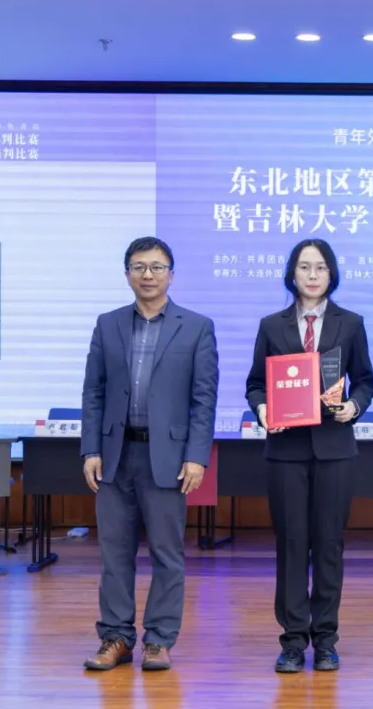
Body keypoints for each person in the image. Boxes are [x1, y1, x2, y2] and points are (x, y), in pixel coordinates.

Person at [80, 236, 219, 672]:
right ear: (127, 274)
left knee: (166, 554)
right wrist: (90, 449)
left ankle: (158, 640)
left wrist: (197, 456)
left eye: (157, 267)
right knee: (114, 554)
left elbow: (203, 399)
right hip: (114, 456)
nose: (148, 275)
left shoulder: (196, 327)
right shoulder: (108, 324)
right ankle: (116, 638)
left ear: (171, 275)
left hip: (169, 459)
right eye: (139, 267)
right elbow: (93, 392)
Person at [245, 238, 373, 673]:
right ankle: (291, 640)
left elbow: (365, 381)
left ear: (331, 274)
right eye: (305, 267)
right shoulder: (272, 325)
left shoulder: (350, 323)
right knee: (291, 545)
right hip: (286, 450)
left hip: (334, 448)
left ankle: (325, 640)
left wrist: (354, 406)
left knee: (329, 546)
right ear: (292, 274)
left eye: (320, 267)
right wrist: (263, 410)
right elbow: (255, 384)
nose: (313, 275)